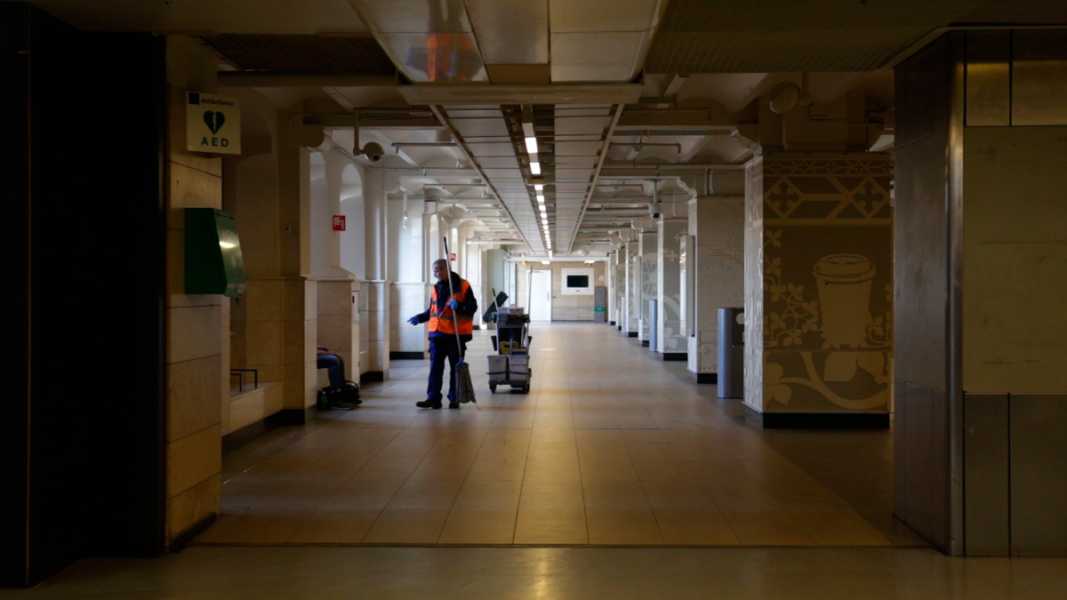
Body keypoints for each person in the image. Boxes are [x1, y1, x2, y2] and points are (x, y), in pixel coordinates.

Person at [408, 258, 477, 409]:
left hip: (455, 336)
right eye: (434, 270)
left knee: (455, 369)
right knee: (435, 369)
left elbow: (472, 307)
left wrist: (459, 306)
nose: (436, 273)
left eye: (438, 270)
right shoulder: (436, 287)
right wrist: (420, 318)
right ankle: (433, 398)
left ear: (447, 269)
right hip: (437, 335)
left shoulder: (463, 285)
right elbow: (433, 311)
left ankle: (454, 398)